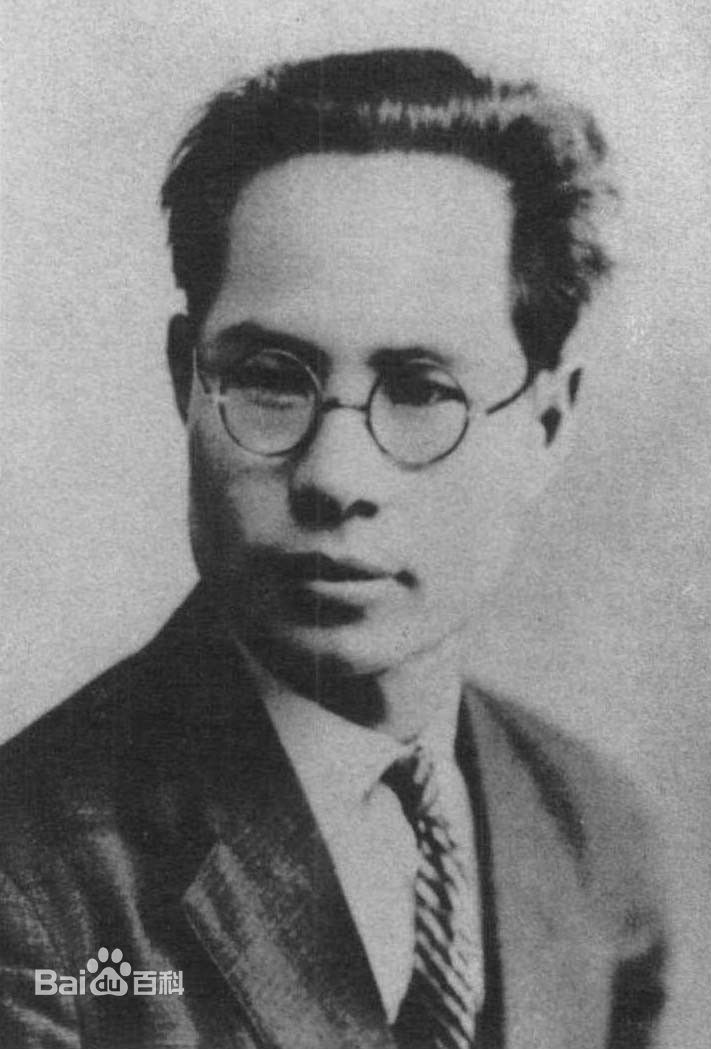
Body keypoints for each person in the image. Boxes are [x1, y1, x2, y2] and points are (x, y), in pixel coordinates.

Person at [0, 48, 667, 1049]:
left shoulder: (596, 836)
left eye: (422, 389)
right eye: (270, 376)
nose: (333, 476)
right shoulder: (30, 882)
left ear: (546, 421)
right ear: (187, 380)